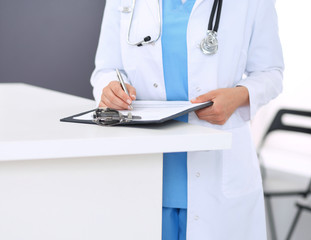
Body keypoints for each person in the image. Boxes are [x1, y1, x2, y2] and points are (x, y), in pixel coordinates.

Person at [90, 0, 284, 239]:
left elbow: (271, 73)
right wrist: (109, 90)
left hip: (218, 170)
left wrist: (239, 96)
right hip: (144, 170)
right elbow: (106, 69)